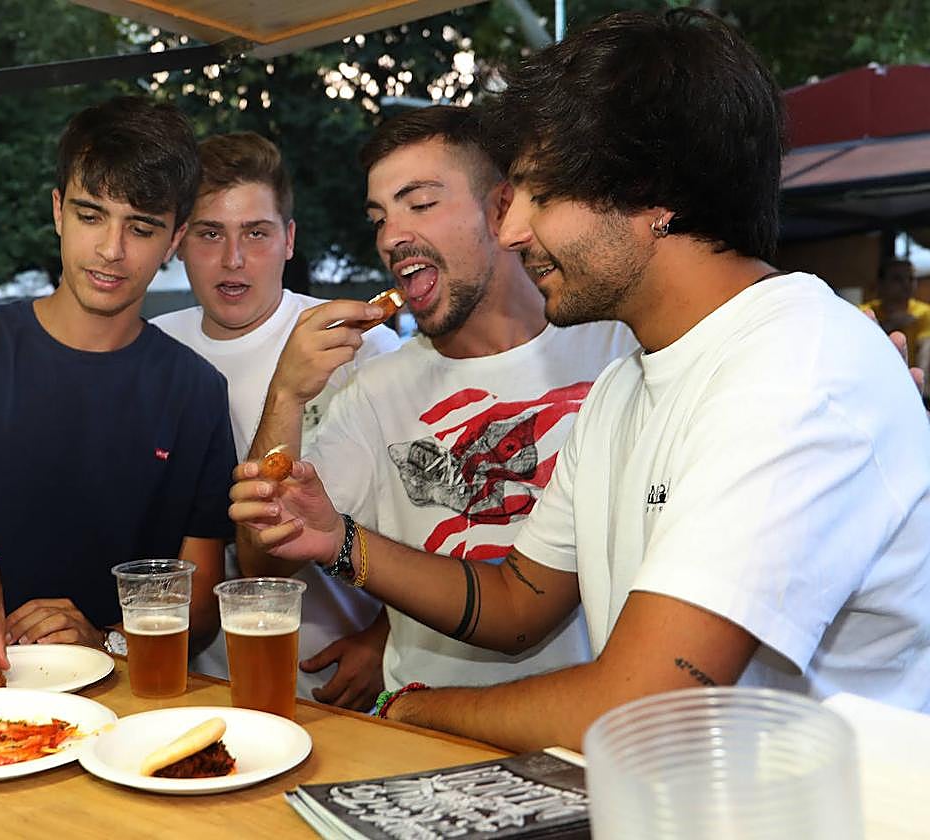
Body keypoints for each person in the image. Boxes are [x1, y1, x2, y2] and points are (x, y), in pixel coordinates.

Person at [231, 9, 930, 752]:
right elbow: (517, 603)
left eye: (540, 193)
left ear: (651, 196)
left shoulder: (797, 373)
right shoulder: (627, 385)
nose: (511, 232)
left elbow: (646, 712)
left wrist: (410, 712)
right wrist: (338, 540)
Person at [235, 106, 637, 699]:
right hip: (426, 741)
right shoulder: (370, 391)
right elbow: (265, 565)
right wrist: (287, 393)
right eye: (379, 218)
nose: (393, 237)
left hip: (596, 737)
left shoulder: (618, 350)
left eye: (420, 204)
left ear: (503, 210)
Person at [0, 96, 237, 679]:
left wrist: (103, 641)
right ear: (57, 211)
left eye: (142, 227)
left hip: (120, 703)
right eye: (90, 215)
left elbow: (200, 610)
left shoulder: (196, 389)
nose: (111, 249)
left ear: (173, 240)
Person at [152, 132, 400, 708]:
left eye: (256, 233)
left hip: (341, 686)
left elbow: (443, 520)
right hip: (199, 680)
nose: (233, 259)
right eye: (211, 233)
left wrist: (384, 640)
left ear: (289, 240)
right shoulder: (154, 351)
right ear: (180, 242)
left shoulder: (361, 346)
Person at [861, 258, 930, 372]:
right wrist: (889, 325)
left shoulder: (925, 313)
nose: (906, 284)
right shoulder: (865, 312)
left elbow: (925, 357)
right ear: (881, 283)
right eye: (897, 279)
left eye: (911, 278)